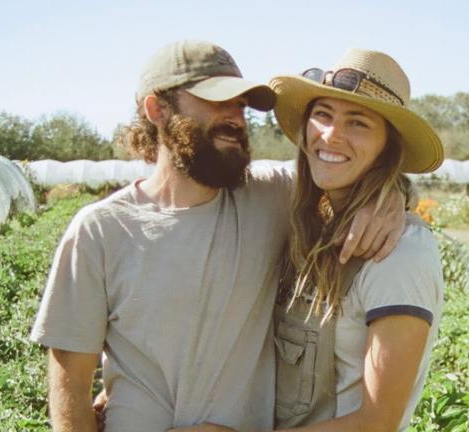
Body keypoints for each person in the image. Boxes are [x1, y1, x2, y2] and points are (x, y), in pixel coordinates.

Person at [30, 40, 407, 432]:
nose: (235, 119)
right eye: (217, 102)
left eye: (241, 106)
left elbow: (351, 171)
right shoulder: (101, 230)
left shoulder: (270, 196)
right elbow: (70, 383)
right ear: (157, 109)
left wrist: (392, 196)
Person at [177, 49, 445, 432]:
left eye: (358, 123)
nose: (331, 136)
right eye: (323, 115)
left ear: (388, 147)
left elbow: (376, 421)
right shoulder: (302, 213)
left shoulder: (399, 254)